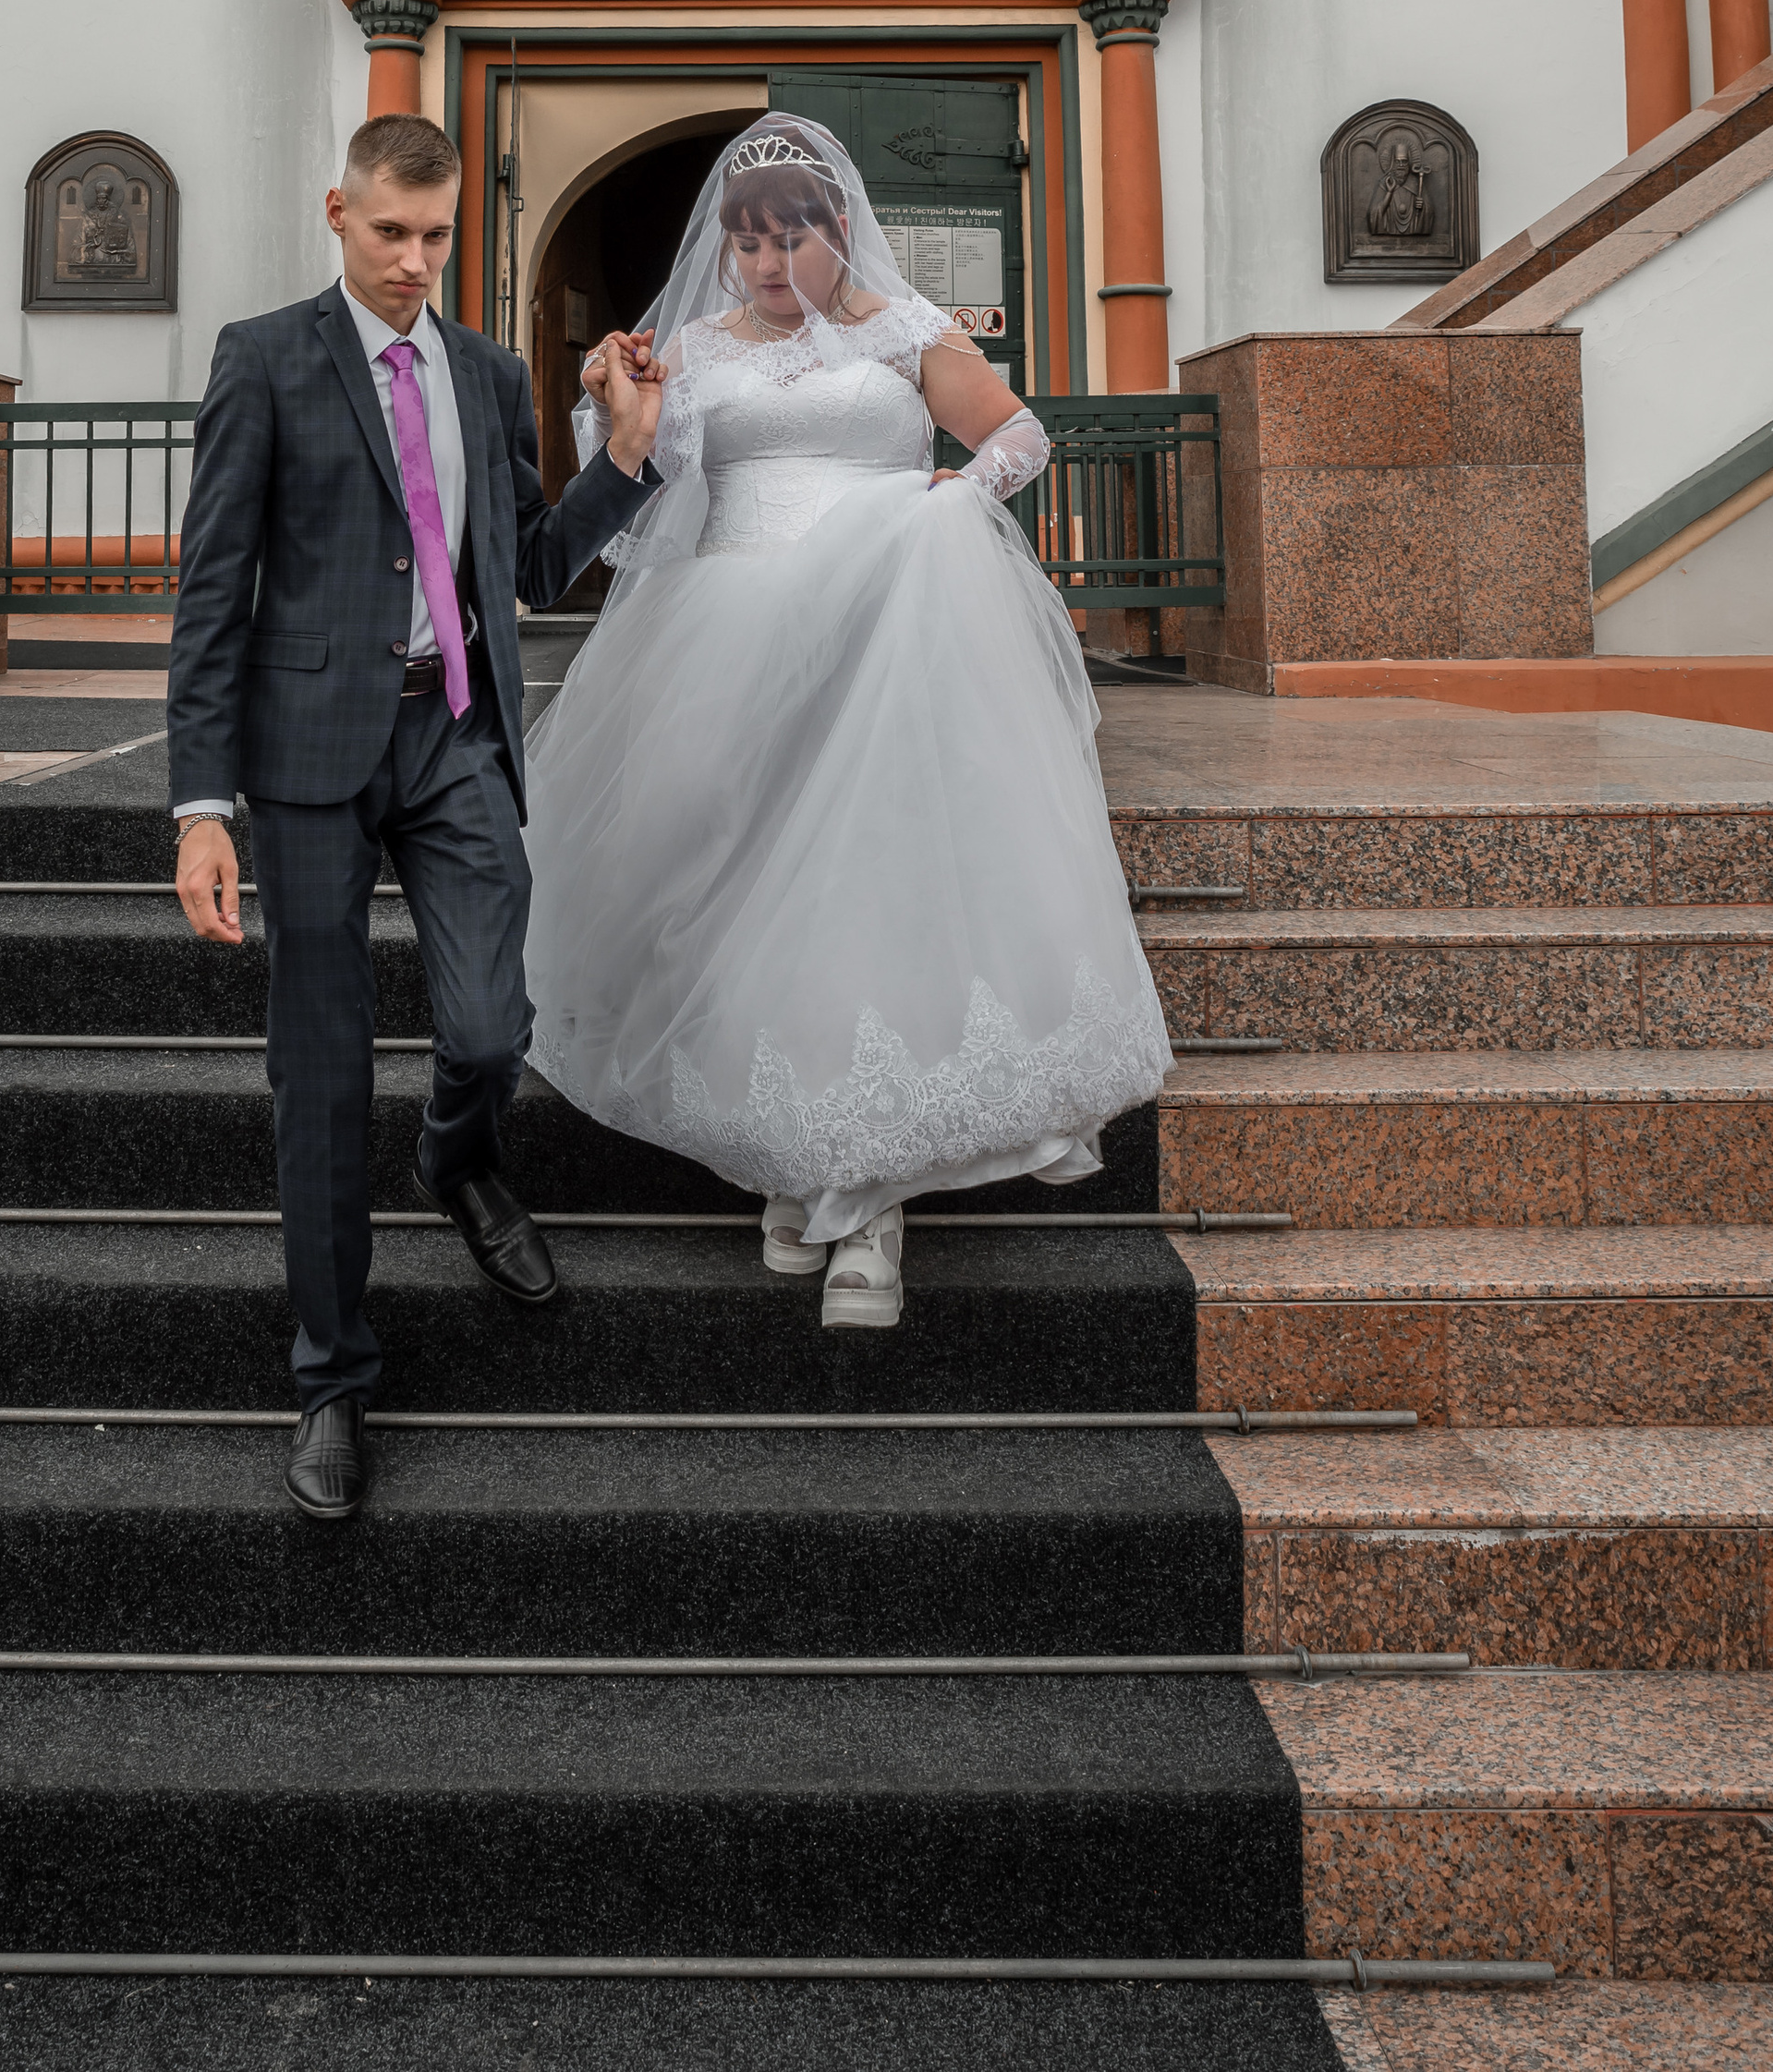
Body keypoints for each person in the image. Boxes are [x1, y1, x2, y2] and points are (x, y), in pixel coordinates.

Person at [523, 115, 1171, 1328]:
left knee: (868, 894)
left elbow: (1019, 434)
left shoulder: (906, 331)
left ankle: (869, 1201)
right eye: (748, 243)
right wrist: (614, 412)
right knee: (744, 897)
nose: (770, 266)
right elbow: (639, 523)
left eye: (793, 240)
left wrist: (951, 500)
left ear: (837, 234)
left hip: (885, 638)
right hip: (728, 646)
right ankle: (793, 1155)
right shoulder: (694, 352)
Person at [165, 113, 662, 1521]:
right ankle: (332, 1375)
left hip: (454, 735)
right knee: (318, 1081)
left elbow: (535, 569)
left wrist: (624, 454)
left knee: (491, 1029)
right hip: (309, 754)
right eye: (391, 232)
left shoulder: (489, 375)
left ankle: (457, 1153)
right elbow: (214, 593)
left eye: (436, 237)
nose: (412, 261)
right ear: (339, 212)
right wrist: (202, 806)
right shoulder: (264, 358)